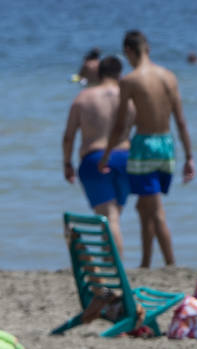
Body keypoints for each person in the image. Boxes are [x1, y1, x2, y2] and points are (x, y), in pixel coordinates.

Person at [101, 29, 195, 267]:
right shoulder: (169, 76)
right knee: (145, 206)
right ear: (148, 48)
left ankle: (172, 264)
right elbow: (181, 121)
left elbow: (121, 125)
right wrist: (190, 157)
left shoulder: (130, 80)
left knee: (154, 211)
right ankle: (145, 263)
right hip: (167, 145)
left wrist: (107, 154)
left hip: (144, 145)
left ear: (128, 52)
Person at [63, 54, 134, 253]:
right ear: (120, 74)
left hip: (94, 159)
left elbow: (68, 136)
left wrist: (67, 163)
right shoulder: (129, 98)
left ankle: (114, 269)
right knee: (114, 219)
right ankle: (112, 266)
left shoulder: (83, 97)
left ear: (99, 73)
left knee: (109, 219)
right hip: (125, 160)